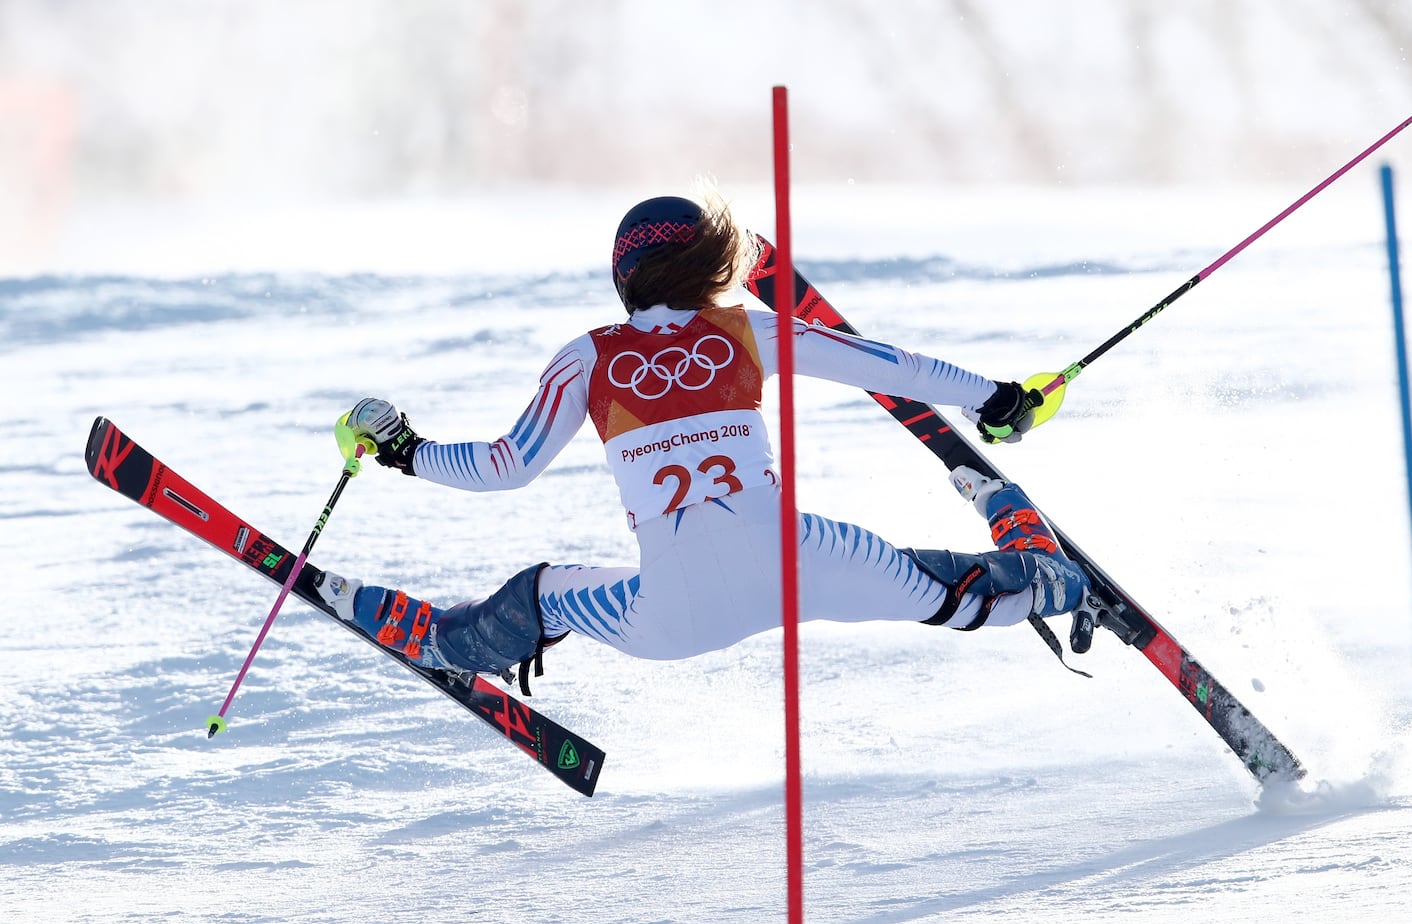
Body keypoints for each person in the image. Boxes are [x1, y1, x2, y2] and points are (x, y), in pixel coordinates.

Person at [317, 193, 1088, 693]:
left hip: (674, 612)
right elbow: (893, 368)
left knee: (544, 592)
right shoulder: (746, 329)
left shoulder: (587, 355)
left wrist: (402, 450)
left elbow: (503, 469)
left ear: (622, 275)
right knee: (958, 604)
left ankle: (442, 640)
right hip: (805, 565)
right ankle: (1036, 561)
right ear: (712, 263)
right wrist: (1001, 401)